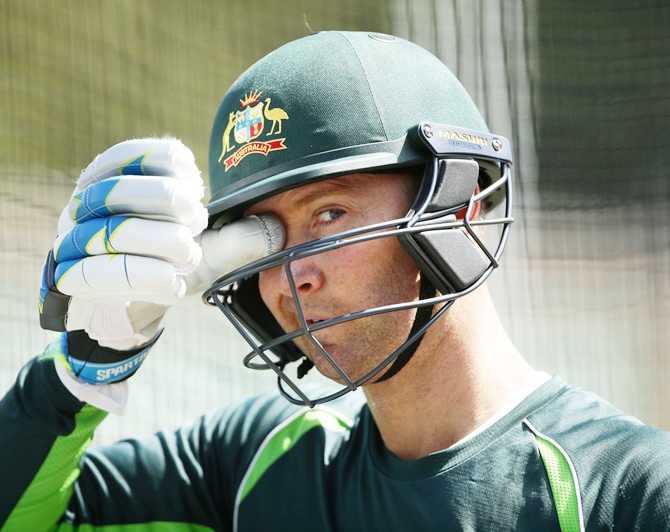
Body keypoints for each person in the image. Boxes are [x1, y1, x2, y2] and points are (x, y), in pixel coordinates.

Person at [1, 30, 668, 532]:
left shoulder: (629, 489)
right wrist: (80, 373)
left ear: (456, 209)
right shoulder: (260, 461)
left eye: (329, 214)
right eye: (264, 237)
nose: (293, 279)